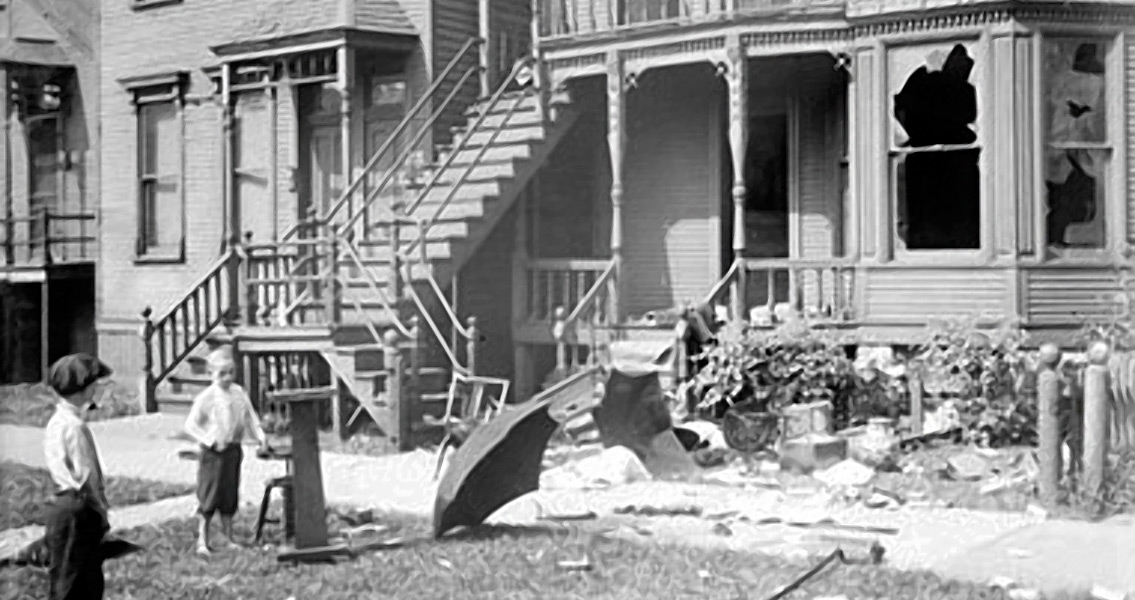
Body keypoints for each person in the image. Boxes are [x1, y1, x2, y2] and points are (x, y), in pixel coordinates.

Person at [43, 353, 114, 600]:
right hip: (78, 507)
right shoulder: (75, 427)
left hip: (60, 504)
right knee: (82, 579)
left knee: (64, 572)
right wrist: (101, 509)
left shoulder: (57, 421)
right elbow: (87, 476)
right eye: (94, 383)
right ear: (85, 388)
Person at [184, 348, 268, 557]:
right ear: (211, 373)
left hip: (232, 449)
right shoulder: (207, 397)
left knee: (229, 494)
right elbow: (191, 425)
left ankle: (228, 536)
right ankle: (203, 540)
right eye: (221, 373)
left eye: (231, 372)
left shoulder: (238, 393)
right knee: (209, 495)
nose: (227, 378)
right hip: (212, 454)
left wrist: (260, 437)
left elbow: (250, 416)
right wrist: (210, 441)